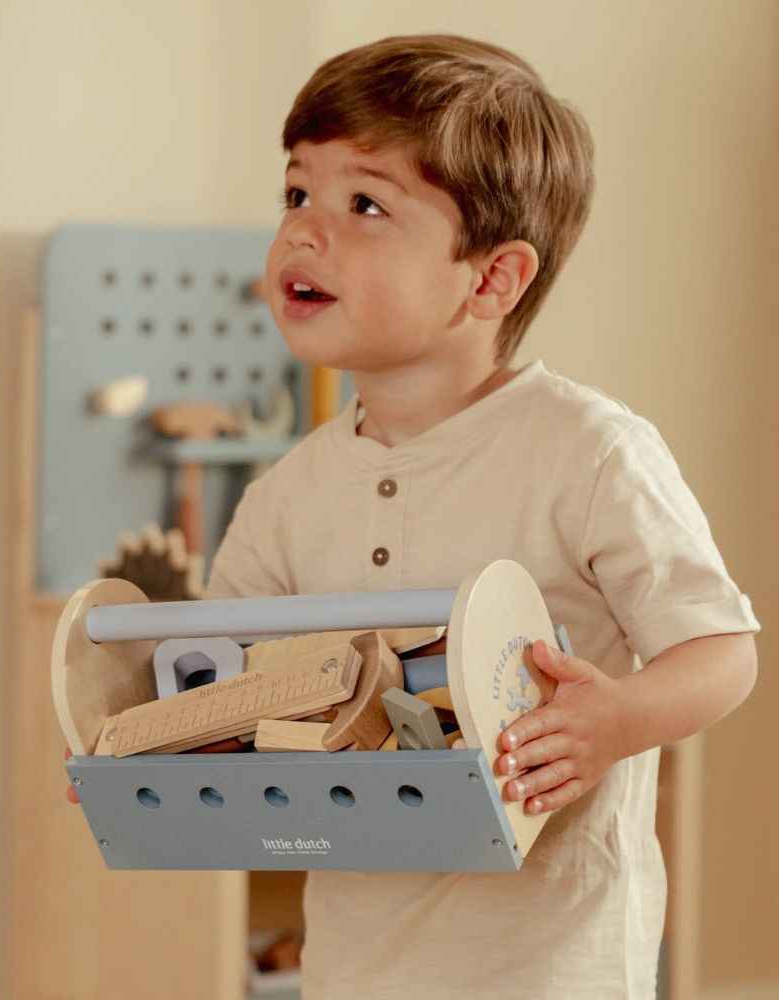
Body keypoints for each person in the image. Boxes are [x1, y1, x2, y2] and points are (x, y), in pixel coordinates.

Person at [199, 34, 760, 999]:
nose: (303, 232)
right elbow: (220, 681)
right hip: (354, 971)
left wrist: (615, 720)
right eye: (296, 193)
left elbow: (723, 652)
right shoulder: (285, 495)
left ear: (491, 279)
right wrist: (143, 746)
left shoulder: (589, 451)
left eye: (364, 204)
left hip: (551, 967)